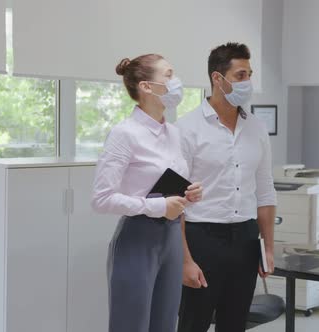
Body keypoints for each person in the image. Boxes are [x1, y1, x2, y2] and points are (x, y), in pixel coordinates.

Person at [91, 53, 203, 332]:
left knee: (165, 325)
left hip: (172, 238)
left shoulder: (174, 134)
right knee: (131, 326)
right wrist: (158, 207)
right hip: (137, 240)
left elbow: (169, 187)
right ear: (146, 87)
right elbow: (101, 199)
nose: (176, 81)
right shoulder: (124, 134)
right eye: (168, 74)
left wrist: (189, 193)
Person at [176, 42, 277, 332]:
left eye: (250, 74)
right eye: (241, 75)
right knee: (194, 322)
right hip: (202, 237)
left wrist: (267, 248)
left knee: (235, 324)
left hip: (245, 238)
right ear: (217, 79)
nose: (248, 82)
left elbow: (265, 191)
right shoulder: (187, 128)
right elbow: (176, 200)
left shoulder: (256, 128)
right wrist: (185, 260)